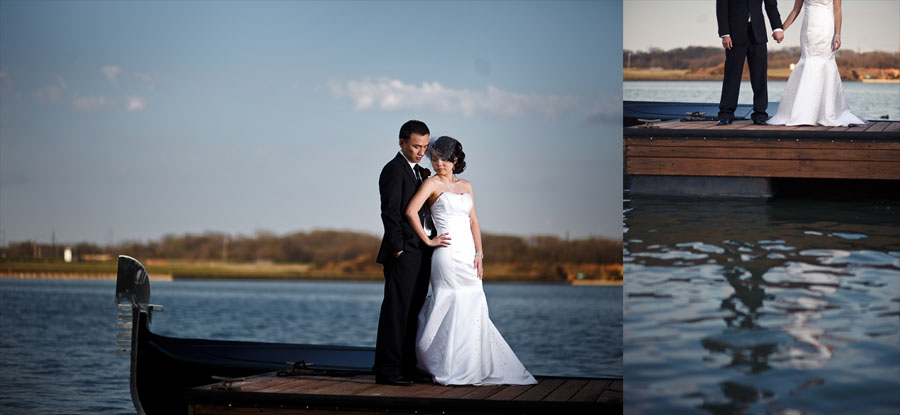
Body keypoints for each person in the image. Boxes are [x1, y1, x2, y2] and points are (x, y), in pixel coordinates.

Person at [404, 136, 537, 386]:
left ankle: (471, 364)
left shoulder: (466, 185)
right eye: (434, 158)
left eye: (443, 158)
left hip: (469, 255)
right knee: (450, 302)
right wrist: (428, 241)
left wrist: (479, 254)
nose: (438, 162)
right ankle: (444, 363)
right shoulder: (430, 184)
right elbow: (411, 211)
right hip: (446, 254)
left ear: (454, 159)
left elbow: (474, 221)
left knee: (473, 304)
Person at [374, 120, 438, 386]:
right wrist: (398, 247)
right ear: (401, 143)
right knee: (396, 311)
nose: (421, 151)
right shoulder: (393, 170)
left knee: (413, 311)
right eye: (415, 146)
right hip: (402, 253)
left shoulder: (419, 172)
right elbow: (389, 212)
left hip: (422, 252)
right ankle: (388, 371)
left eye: (424, 146)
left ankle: (407, 367)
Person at [766, 0, 866, 126]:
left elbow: (837, 9)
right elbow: (795, 10)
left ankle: (825, 112)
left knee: (824, 62)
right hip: (808, 29)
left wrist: (838, 34)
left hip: (826, 28)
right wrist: (781, 29)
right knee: (807, 62)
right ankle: (803, 111)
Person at [716, 0, 784, 125]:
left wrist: (777, 28)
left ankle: (760, 114)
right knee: (732, 75)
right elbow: (721, 7)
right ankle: (726, 113)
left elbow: (771, 6)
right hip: (734, 33)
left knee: (760, 76)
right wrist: (725, 33)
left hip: (758, 33)